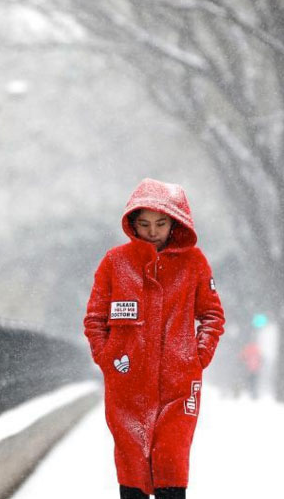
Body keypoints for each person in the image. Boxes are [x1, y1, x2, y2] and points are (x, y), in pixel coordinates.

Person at [83, 178, 226, 499]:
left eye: (160, 223)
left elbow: (213, 316)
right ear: (132, 224)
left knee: (172, 460)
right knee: (131, 462)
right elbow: (95, 318)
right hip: (126, 382)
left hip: (179, 383)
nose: (152, 231)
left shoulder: (195, 263)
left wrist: (197, 356)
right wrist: (106, 357)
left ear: (175, 223)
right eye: (144, 223)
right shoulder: (114, 263)